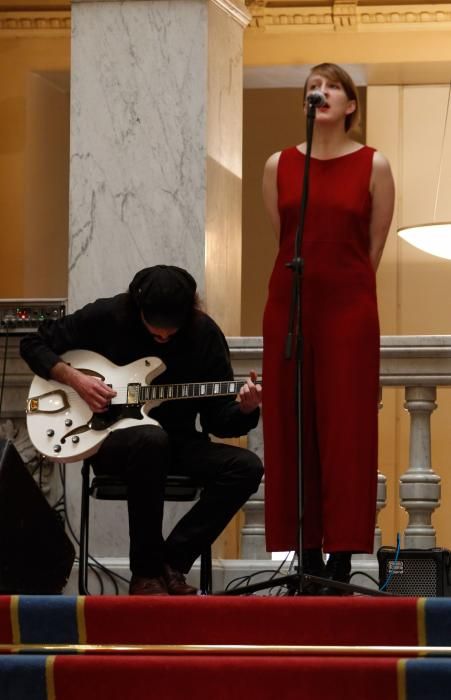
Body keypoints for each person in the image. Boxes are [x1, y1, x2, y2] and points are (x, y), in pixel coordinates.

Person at [21, 265, 263, 596]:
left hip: (178, 443)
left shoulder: (205, 335)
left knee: (247, 467)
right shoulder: (106, 315)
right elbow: (33, 343)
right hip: (112, 442)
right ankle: (145, 575)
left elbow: (217, 420)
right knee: (150, 440)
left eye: (170, 333)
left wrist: (246, 409)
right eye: (155, 333)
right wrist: (74, 378)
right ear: (138, 310)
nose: (163, 338)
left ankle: (170, 562)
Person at [261, 63, 395, 594]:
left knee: (345, 430)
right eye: (313, 87)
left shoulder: (373, 164)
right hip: (290, 305)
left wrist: (347, 291)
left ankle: (340, 561)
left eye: (332, 86)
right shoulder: (280, 164)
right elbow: (284, 236)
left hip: (349, 306)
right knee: (292, 426)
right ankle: (306, 555)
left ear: (351, 104)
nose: (321, 93)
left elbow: (373, 246)